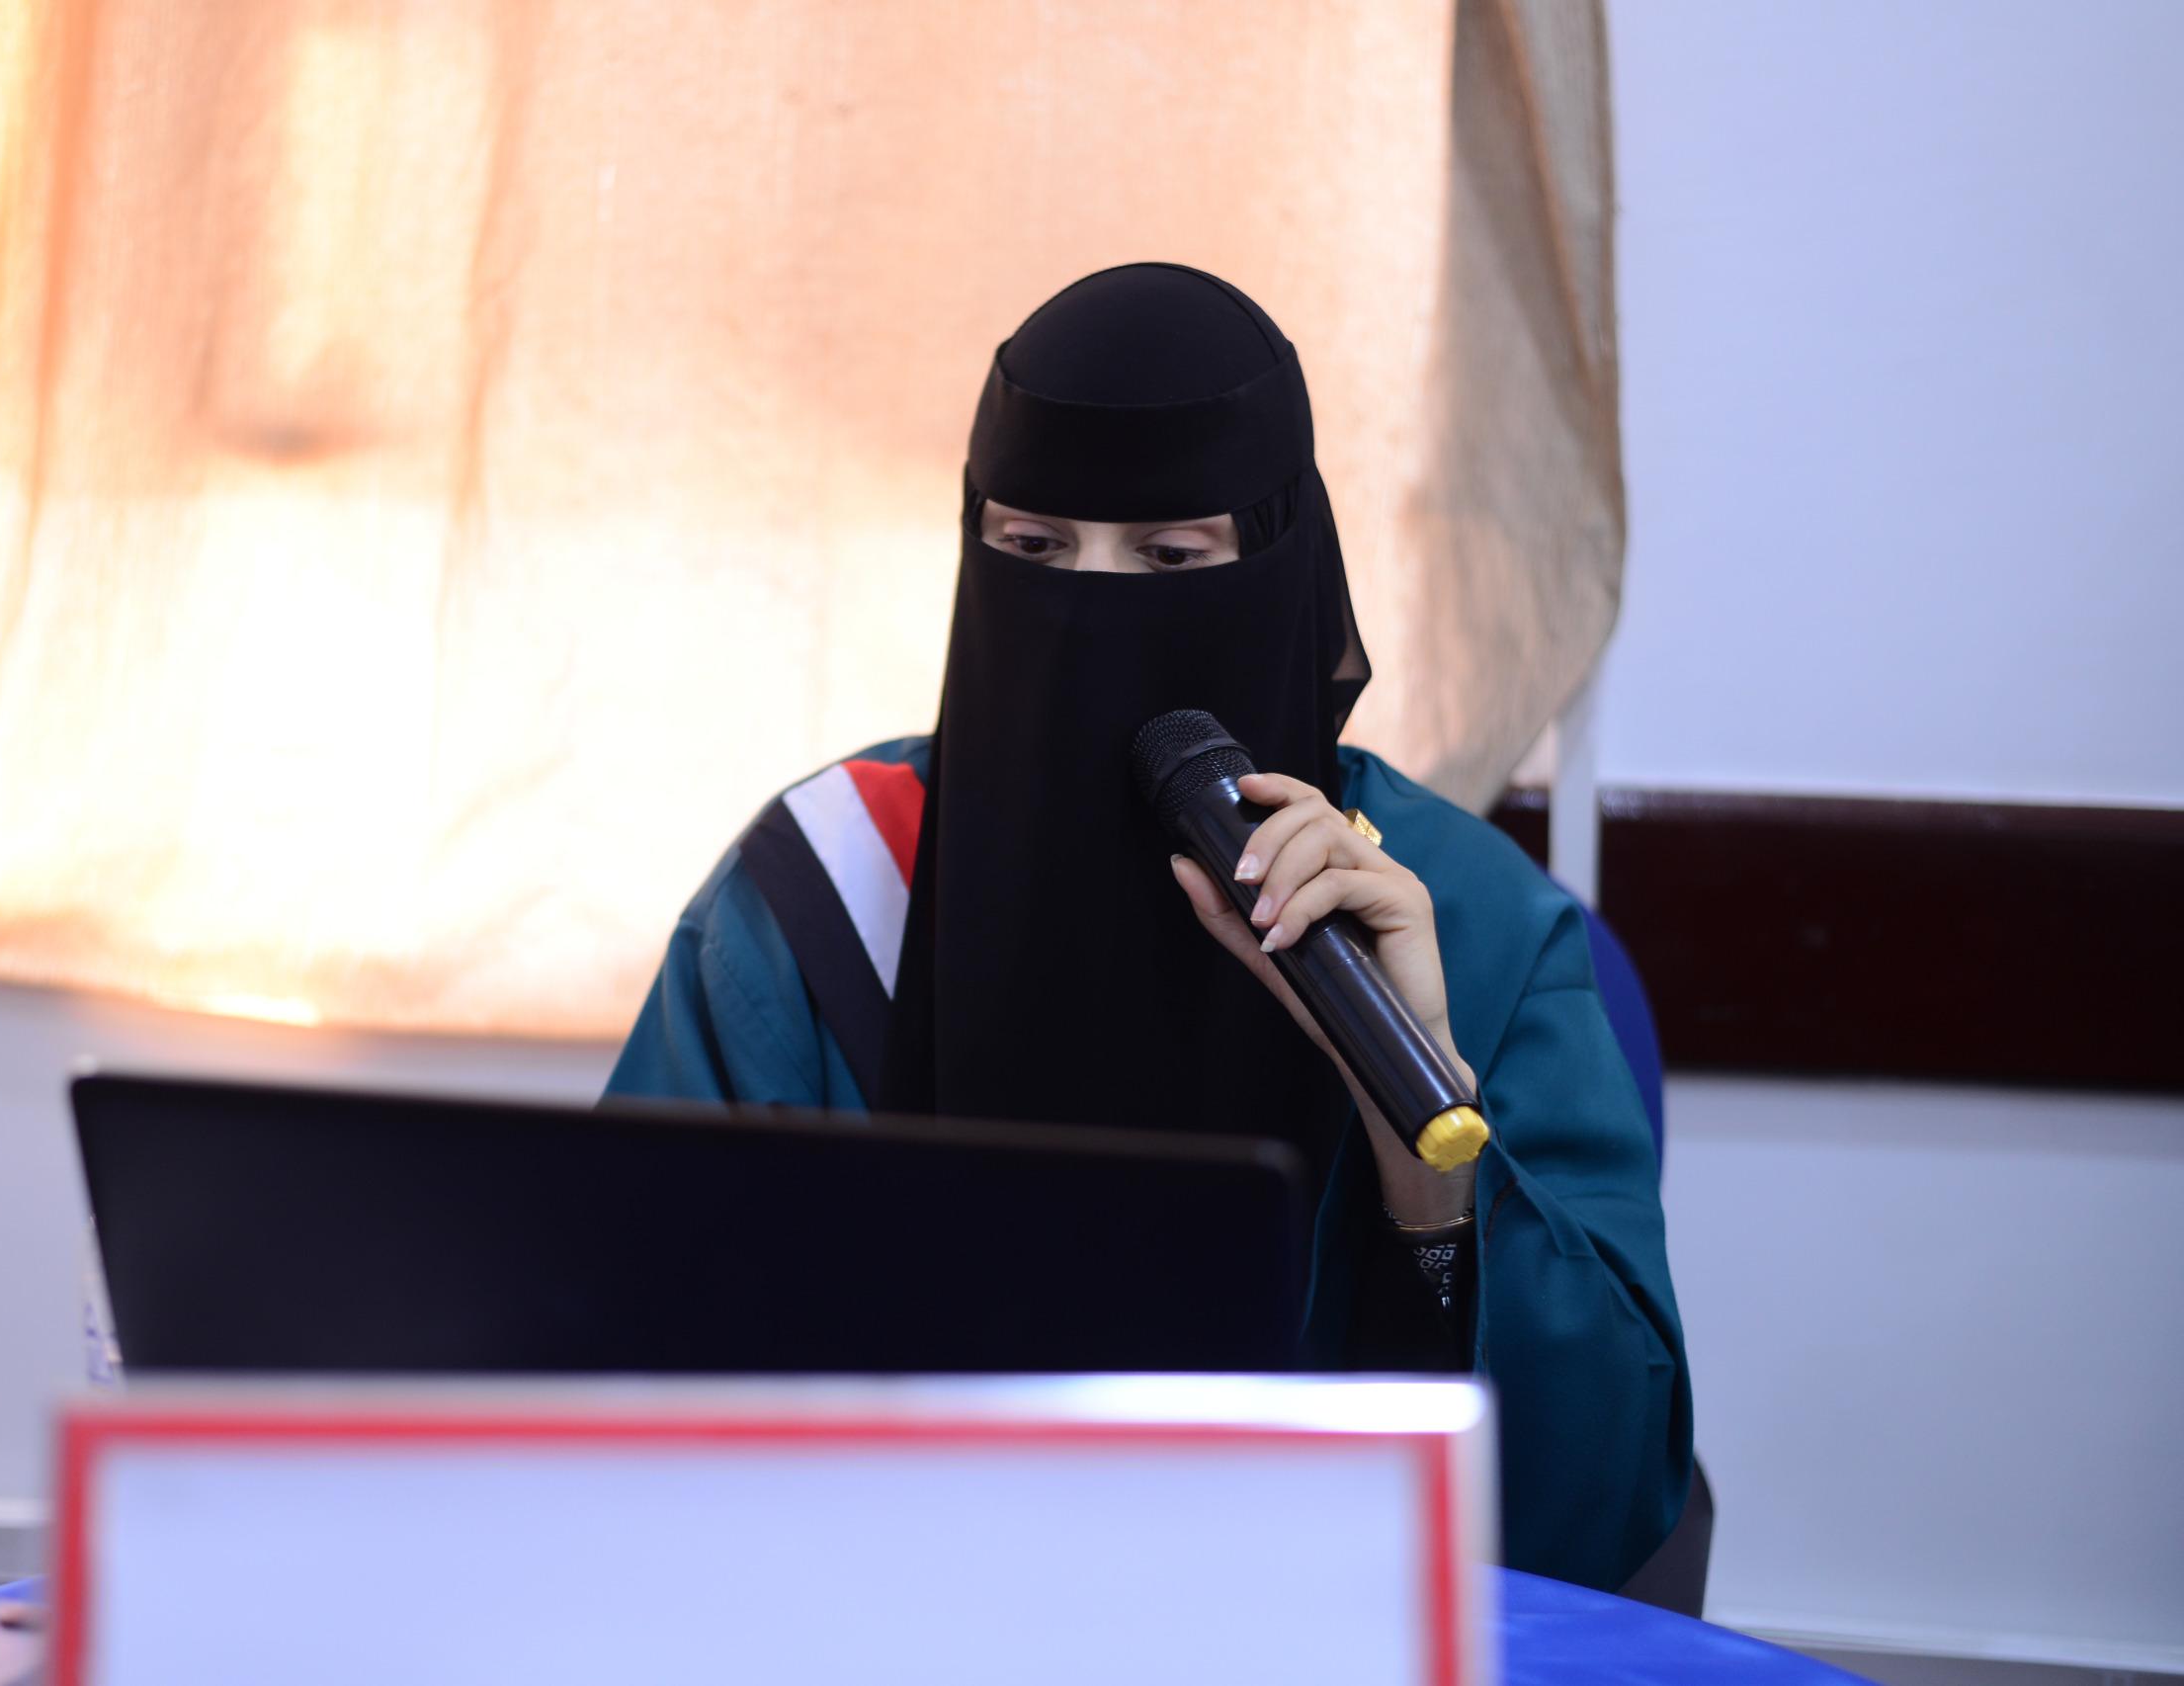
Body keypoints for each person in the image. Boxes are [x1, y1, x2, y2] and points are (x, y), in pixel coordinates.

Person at [606, 262, 1690, 1593]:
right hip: (889, 1607)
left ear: (1280, 568)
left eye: (1172, 559)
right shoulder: (829, 887)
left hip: (1303, 1628)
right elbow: (614, 1356)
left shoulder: (1459, 919)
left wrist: (1424, 1158)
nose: (1093, 607)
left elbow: (1602, 1504)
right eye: (1032, 549)